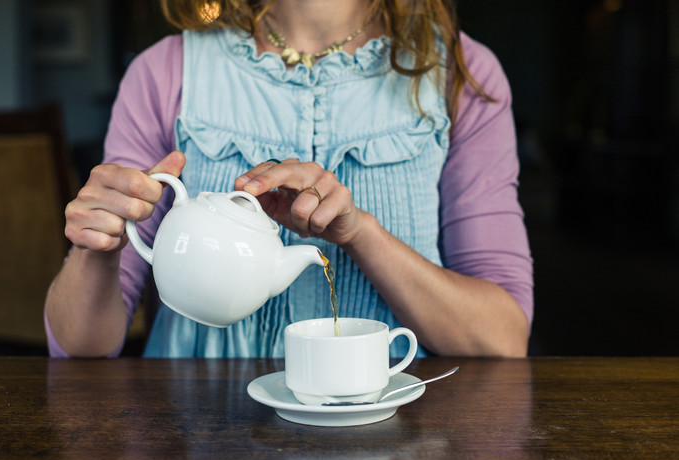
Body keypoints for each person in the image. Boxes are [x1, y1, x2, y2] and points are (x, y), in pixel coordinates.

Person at [45, 0, 533, 358]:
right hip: (194, 431)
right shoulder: (164, 71)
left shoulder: (462, 76)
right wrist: (97, 250)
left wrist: (360, 233)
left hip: (398, 436)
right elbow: (81, 348)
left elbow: (500, 337)